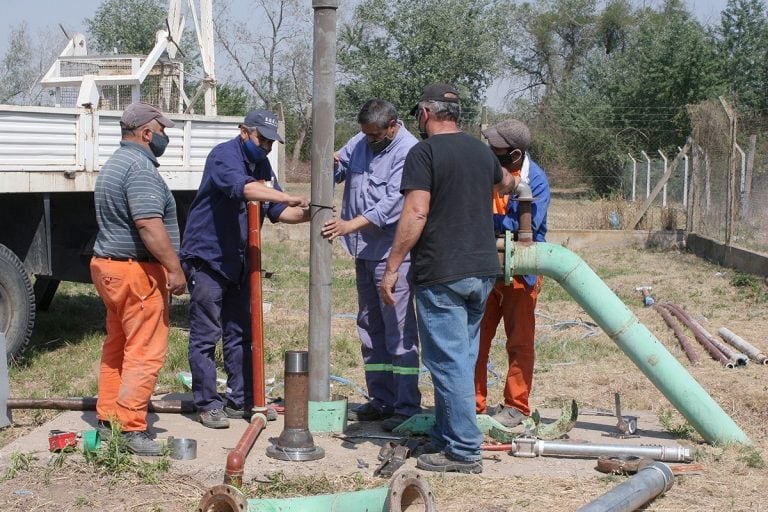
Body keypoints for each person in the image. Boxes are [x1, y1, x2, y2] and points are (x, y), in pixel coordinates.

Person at [380, 84, 506, 474]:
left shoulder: (424, 153)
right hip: (483, 271)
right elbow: (503, 184)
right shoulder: (481, 151)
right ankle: (446, 433)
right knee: (460, 360)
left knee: (446, 361)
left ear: (424, 113)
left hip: (442, 272)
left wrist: (392, 265)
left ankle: (465, 451)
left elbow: (415, 213)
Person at [180, 109, 309, 429]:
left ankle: (241, 400)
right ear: (243, 132)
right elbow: (246, 190)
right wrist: (286, 195)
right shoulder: (224, 157)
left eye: (270, 142)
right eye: (261, 139)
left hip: (239, 262)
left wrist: (309, 214)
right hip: (208, 259)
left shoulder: (262, 165)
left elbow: (278, 212)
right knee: (207, 334)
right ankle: (208, 403)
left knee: (241, 332)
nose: (265, 147)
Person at [91, 102, 186, 456]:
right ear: (146, 133)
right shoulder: (141, 168)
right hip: (136, 272)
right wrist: (174, 268)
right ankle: (131, 428)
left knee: (118, 346)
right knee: (145, 351)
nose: (165, 138)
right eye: (163, 131)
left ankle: (107, 419)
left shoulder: (115, 163)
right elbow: (148, 224)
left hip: (109, 268)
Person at [322, 99, 421, 432]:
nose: (368, 140)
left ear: (392, 125)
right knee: (369, 327)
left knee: (398, 330)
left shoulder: (409, 151)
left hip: (392, 253)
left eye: (375, 135)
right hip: (364, 252)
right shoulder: (362, 140)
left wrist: (350, 224)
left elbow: (395, 201)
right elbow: (340, 165)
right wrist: (330, 163)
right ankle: (381, 400)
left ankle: (406, 405)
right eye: (365, 134)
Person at [474, 119, 551, 428]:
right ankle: (473, 404)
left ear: (515, 154)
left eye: (497, 149)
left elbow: (526, 226)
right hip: (484, 268)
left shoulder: (537, 180)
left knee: (519, 342)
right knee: (475, 338)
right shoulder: (485, 171)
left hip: (522, 272)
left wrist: (491, 225)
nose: (491, 151)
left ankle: (516, 406)